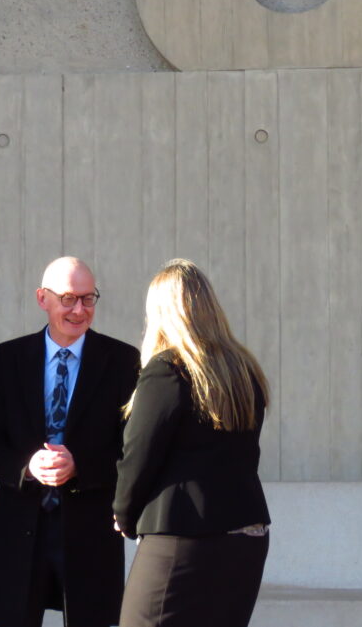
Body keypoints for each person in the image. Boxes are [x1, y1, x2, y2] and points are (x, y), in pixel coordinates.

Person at [0, 256, 140, 627]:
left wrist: (80, 466)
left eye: (88, 298)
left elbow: (133, 448)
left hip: (90, 528)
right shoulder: (9, 358)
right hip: (19, 524)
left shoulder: (123, 361)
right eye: (68, 299)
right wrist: (27, 466)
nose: (79, 310)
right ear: (42, 299)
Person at [113, 259, 270, 627]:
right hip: (246, 535)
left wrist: (124, 514)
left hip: (181, 536)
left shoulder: (168, 369)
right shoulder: (244, 370)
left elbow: (139, 454)